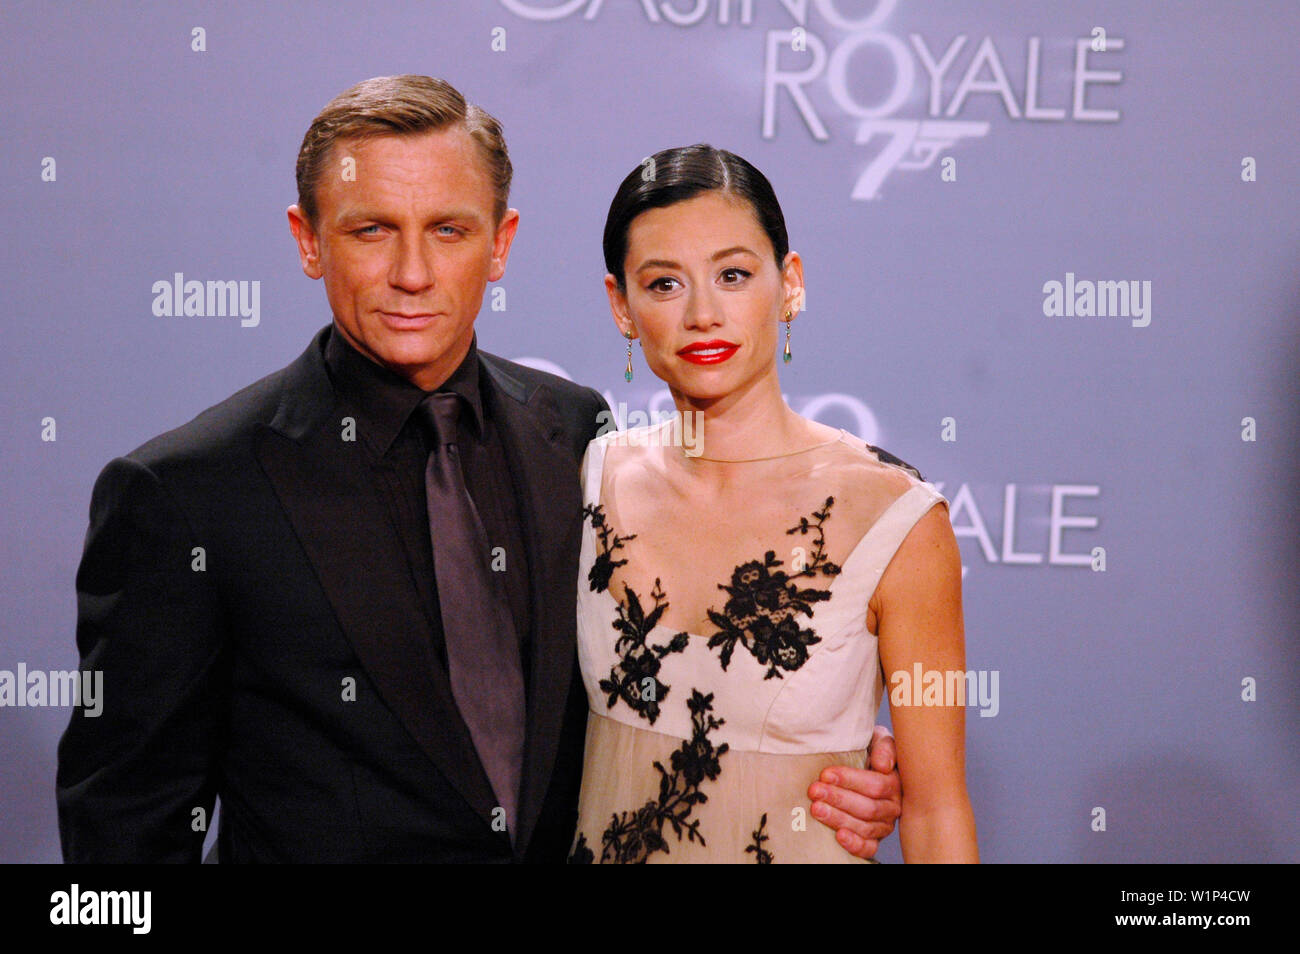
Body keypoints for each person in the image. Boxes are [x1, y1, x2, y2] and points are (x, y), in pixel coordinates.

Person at [56, 76, 904, 863]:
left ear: (500, 245)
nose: (413, 274)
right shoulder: (190, 492)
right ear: (307, 240)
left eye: (449, 230)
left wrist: (818, 775)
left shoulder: (580, 438)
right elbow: (120, 838)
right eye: (371, 229)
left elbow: (658, 692)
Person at [567, 144, 978, 863]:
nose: (702, 313)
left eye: (733, 275)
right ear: (620, 307)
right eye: (664, 283)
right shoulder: (585, 479)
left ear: (790, 284)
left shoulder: (896, 518)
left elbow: (937, 810)